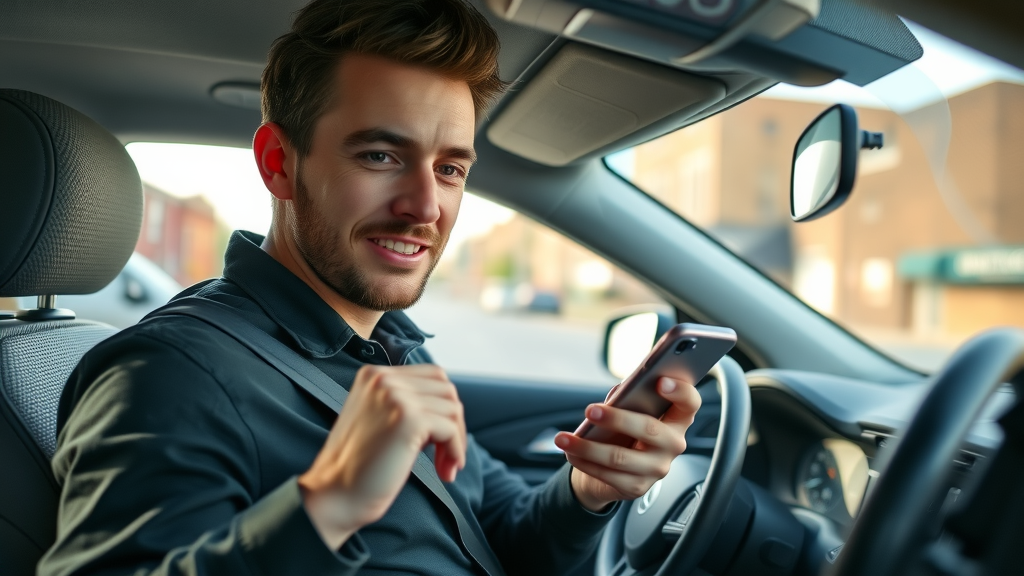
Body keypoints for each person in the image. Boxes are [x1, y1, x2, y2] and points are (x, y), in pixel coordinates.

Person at [40, 1, 702, 574]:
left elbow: (491, 534)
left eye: (449, 168)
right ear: (279, 164)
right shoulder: (171, 374)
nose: (425, 206)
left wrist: (586, 489)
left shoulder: (393, 348)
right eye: (381, 156)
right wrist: (327, 503)